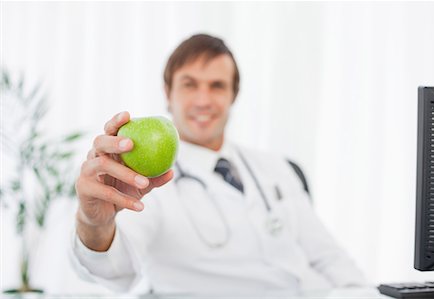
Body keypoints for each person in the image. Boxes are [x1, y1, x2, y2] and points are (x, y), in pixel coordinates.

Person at [70, 33, 366, 296]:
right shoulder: (142, 179)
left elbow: (330, 259)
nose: (203, 100)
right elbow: (116, 270)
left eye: (217, 86)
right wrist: (94, 223)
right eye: (190, 85)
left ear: (233, 95)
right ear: (168, 93)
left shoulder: (276, 168)